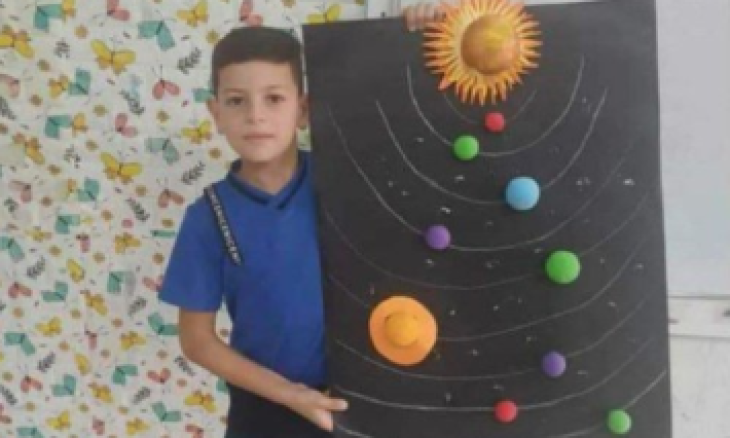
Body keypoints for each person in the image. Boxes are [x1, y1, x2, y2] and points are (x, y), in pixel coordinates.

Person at [159, 5, 448, 438]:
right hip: (266, 409)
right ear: (216, 113)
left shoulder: (348, 178)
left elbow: (418, 142)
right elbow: (197, 341)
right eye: (237, 101)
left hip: (366, 397)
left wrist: (425, 36)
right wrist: (290, 395)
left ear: (304, 109)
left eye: (274, 98)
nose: (256, 116)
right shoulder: (207, 218)